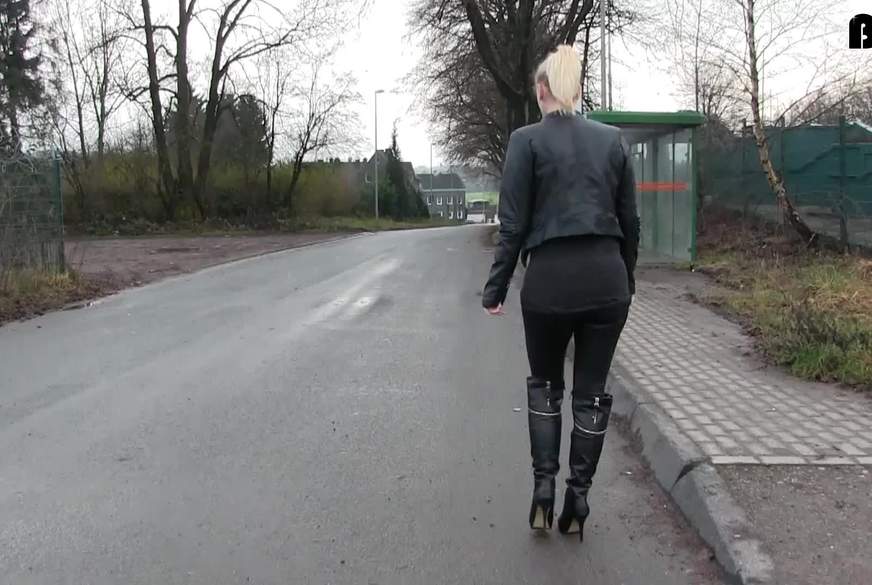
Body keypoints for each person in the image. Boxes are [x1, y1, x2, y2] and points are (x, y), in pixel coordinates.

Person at [482, 45, 639, 542]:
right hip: (606, 281)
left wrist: (495, 288)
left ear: (542, 89)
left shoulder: (525, 142)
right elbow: (630, 221)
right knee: (591, 391)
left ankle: (543, 491)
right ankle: (579, 498)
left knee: (547, 385)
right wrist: (627, 280)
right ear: (576, 89)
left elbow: (512, 224)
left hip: (549, 282)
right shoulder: (612, 141)